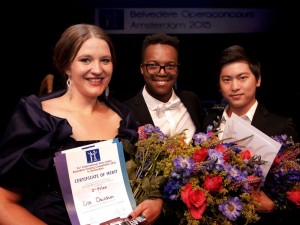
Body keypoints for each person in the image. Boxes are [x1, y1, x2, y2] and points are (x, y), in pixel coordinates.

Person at [0, 24, 162, 225]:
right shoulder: (37, 117)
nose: (97, 69)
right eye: (85, 60)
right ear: (67, 66)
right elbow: (3, 201)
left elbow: (141, 180)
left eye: (105, 60)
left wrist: (155, 202)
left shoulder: (124, 117)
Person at [203, 44, 299, 225]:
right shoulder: (208, 122)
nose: (235, 86)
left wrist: (273, 206)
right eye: (226, 79)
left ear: (258, 80)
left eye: (242, 78)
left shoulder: (281, 127)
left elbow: (295, 189)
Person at [123, 32, 205, 143]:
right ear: (142, 68)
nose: (162, 73)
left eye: (170, 66)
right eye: (153, 65)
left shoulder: (192, 101)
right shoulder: (126, 113)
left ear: (177, 69)